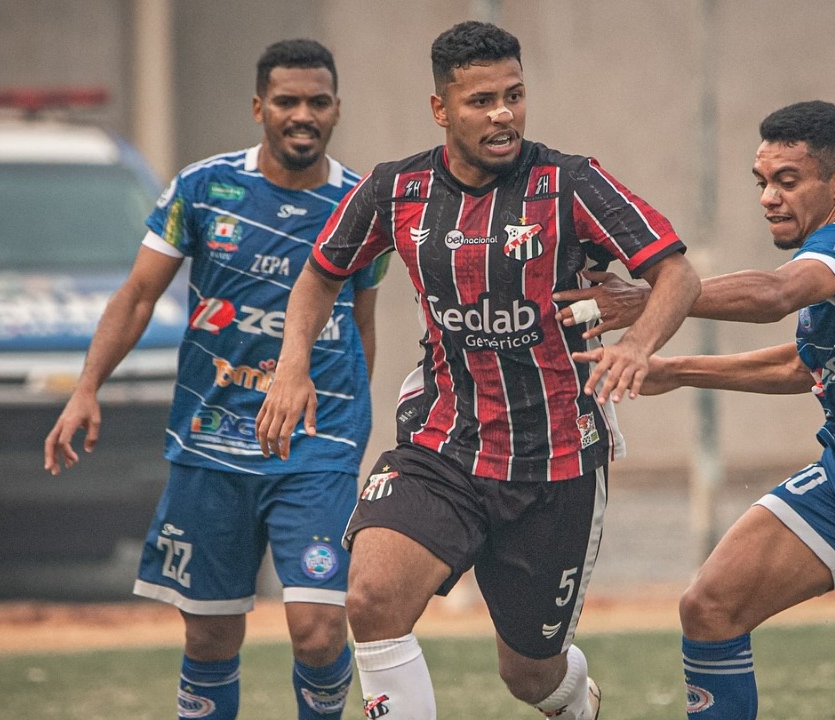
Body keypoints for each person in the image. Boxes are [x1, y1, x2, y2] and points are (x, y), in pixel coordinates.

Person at [255, 20, 700, 720]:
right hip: (444, 444)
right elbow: (320, 273)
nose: (503, 113)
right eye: (482, 99)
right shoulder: (395, 189)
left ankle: (574, 699)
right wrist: (291, 366)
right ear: (441, 110)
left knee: (528, 674)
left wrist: (639, 342)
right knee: (370, 598)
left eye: (514, 95)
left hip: (554, 464)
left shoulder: (570, 183)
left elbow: (676, 273)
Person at [558, 100, 835, 720]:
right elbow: (802, 367)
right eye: (762, 181)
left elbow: (774, 294)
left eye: (788, 181)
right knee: (709, 607)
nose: (769, 196)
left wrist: (652, 301)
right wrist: (676, 371)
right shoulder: (834, 265)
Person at [43, 39, 385, 720]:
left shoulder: (361, 205)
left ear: (337, 109)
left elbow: (361, 322)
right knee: (209, 631)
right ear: (259, 107)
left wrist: (346, 428)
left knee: (319, 630)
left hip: (314, 450)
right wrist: (87, 387)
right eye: (287, 101)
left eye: (318, 102)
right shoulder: (202, 189)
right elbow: (137, 297)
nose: (302, 115)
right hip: (209, 443)